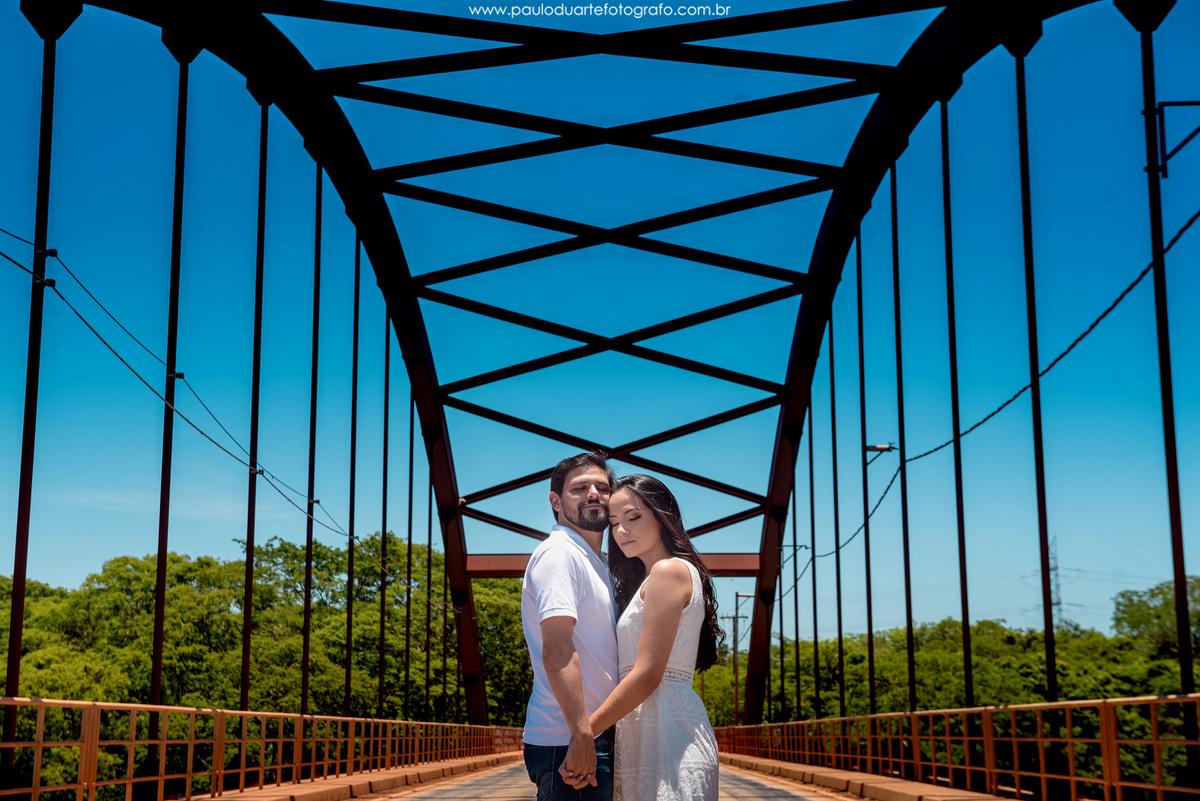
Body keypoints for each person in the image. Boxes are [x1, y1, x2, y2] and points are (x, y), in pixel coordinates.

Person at [580, 474, 724, 801]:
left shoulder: (668, 571)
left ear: (663, 516)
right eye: (614, 522)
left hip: (671, 742)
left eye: (633, 517)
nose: (621, 531)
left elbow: (647, 675)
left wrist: (583, 733)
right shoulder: (654, 578)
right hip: (648, 737)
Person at [522, 452, 619, 801]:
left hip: (592, 736)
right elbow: (558, 648)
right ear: (556, 501)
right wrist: (581, 737)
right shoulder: (559, 554)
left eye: (603, 488)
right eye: (580, 488)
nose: (594, 493)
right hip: (569, 740)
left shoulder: (599, 564)